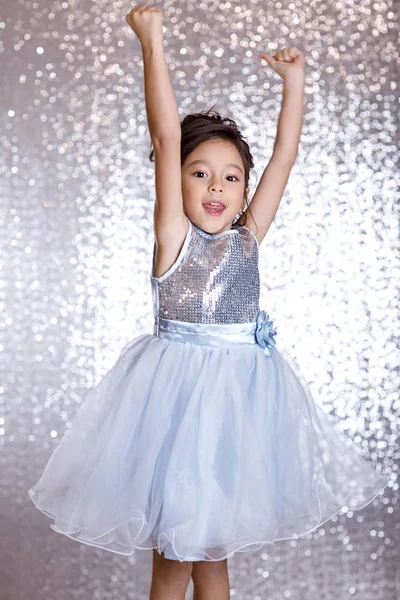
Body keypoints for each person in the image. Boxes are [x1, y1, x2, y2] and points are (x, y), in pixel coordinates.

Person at [28, 5, 390, 600]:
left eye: (230, 176)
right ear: (177, 182)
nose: (216, 186)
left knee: (215, 556)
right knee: (172, 559)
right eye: (199, 174)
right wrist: (151, 42)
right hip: (172, 412)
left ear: (244, 188)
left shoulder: (248, 237)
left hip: (236, 419)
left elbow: (285, 158)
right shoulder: (173, 236)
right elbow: (168, 135)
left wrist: (294, 83)